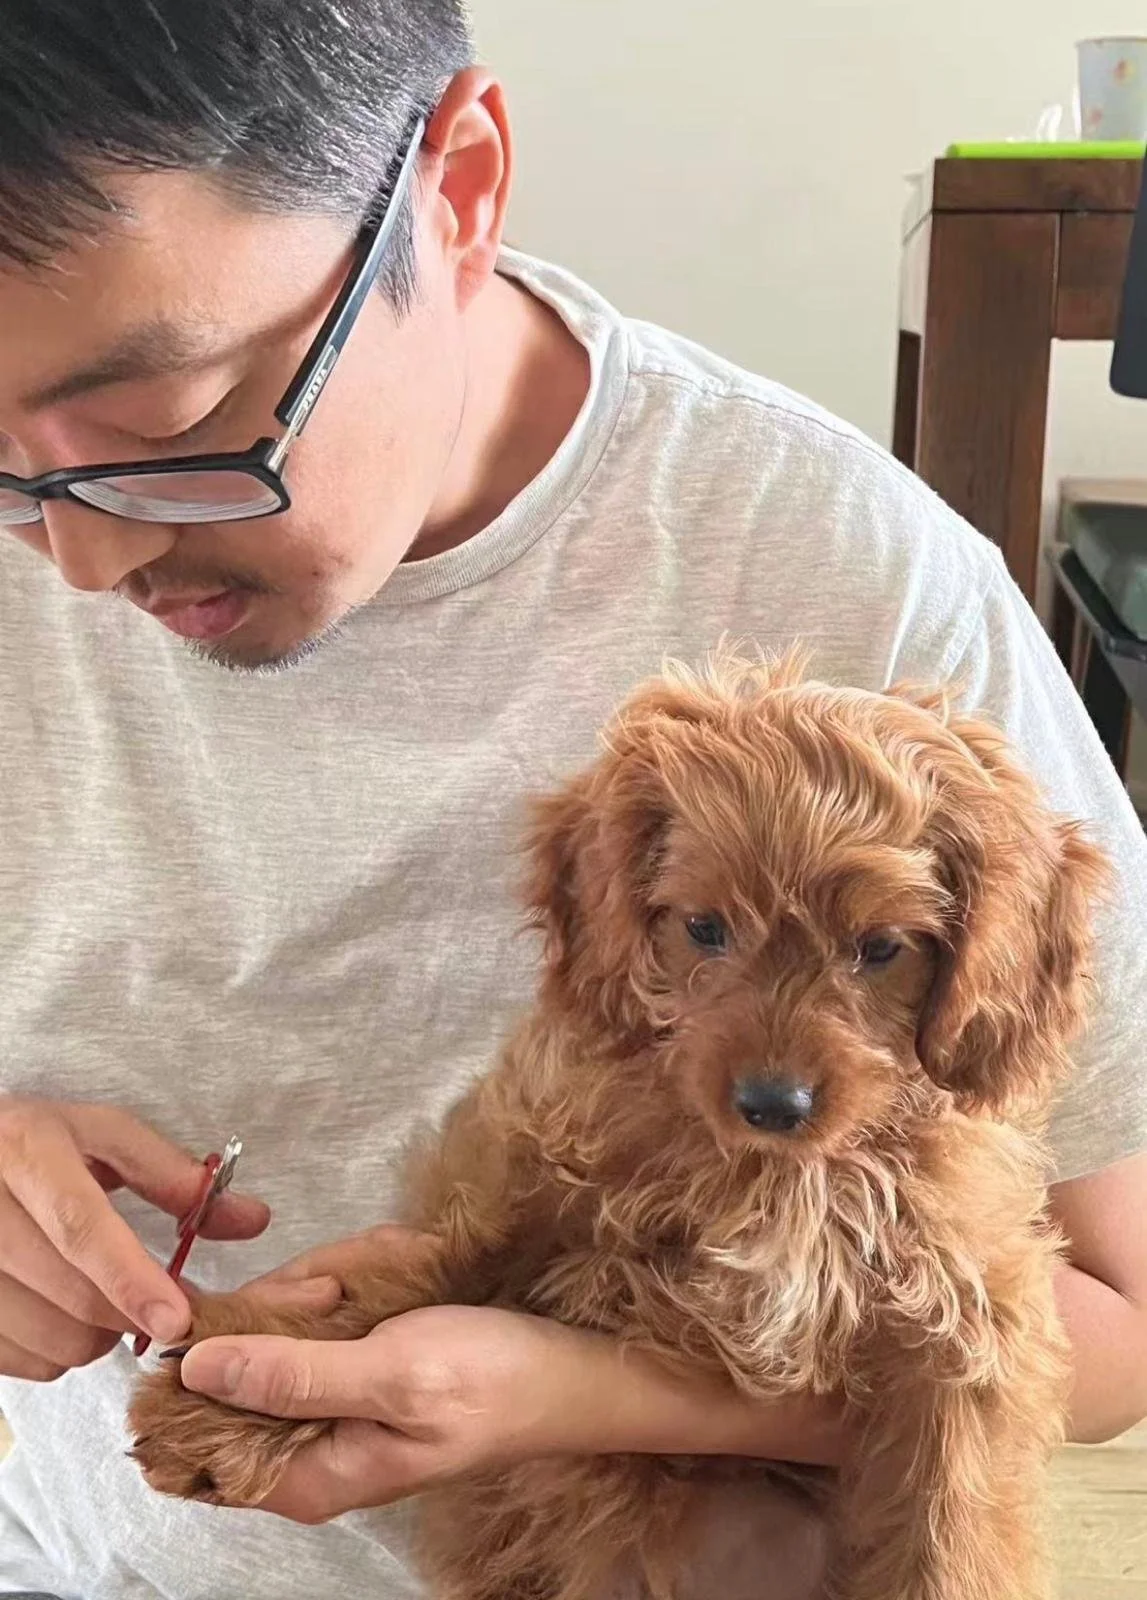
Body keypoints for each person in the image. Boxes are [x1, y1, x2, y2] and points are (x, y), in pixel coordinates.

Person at [0, 2, 1144, 1596]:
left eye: (170, 425)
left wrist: (587, 1395)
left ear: (455, 188)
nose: (80, 559)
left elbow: (1113, 1324)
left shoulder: (863, 592)